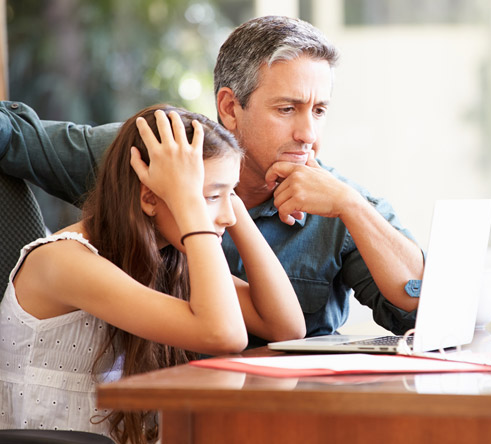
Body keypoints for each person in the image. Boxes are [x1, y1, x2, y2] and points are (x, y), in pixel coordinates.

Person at [0, 15, 424, 346]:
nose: (308, 134)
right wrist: (187, 192)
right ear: (229, 106)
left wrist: (352, 207)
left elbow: (419, 310)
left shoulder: (339, 201)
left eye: (319, 111)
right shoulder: (149, 154)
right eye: (287, 109)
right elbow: (14, 135)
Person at [0, 105, 305, 443]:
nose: (228, 216)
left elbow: (286, 327)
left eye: (230, 195)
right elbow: (224, 335)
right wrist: (191, 204)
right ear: (149, 197)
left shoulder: (162, 260)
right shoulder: (63, 261)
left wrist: (221, 195)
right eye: (213, 197)